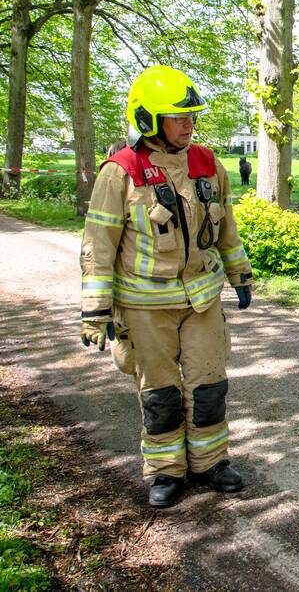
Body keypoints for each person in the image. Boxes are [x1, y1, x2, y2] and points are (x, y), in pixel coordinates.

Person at [80, 65, 254, 509]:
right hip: (144, 305)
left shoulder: (208, 164)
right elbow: (99, 245)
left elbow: (226, 226)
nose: (188, 126)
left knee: (209, 385)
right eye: (178, 118)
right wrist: (96, 311)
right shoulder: (120, 172)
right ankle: (165, 470)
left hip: (202, 299)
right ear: (147, 120)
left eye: (192, 117)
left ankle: (210, 462)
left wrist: (239, 273)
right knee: (159, 392)